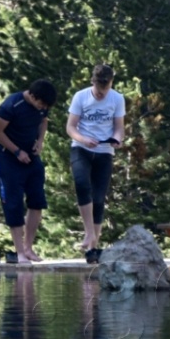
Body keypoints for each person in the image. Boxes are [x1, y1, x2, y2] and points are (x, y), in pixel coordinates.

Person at [0, 78, 59, 263]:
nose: (42, 107)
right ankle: (19, 252)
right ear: (32, 96)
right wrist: (17, 151)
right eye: (41, 103)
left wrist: (40, 141)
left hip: (31, 156)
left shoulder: (42, 106)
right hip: (7, 157)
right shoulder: (12, 104)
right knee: (13, 204)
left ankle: (28, 248)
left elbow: (44, 121)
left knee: (37, 201)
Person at [66, 64, 125, 264]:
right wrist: (83, 139)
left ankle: (93, 248)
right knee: (82, 185)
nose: (101, 95)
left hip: (103, 151)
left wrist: (117, 139)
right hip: (81, 148)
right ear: (93, 82)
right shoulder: (80, 97)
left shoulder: (117, 98)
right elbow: (71, 127)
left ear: (110, 84)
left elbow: (119, 128)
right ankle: (89, 234)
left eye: (105, 91)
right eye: (98, 92)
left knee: (99, 197)